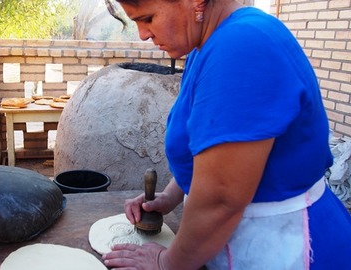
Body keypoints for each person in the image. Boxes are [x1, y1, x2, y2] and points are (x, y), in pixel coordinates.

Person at [101, 0, 351, 269]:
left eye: (148, 18)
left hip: (284, 248)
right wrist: (170, 196)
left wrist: (166, 263)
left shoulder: (242, 46)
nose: (142, 34)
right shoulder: (207, 45)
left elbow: (221, 197)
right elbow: (214, 152)